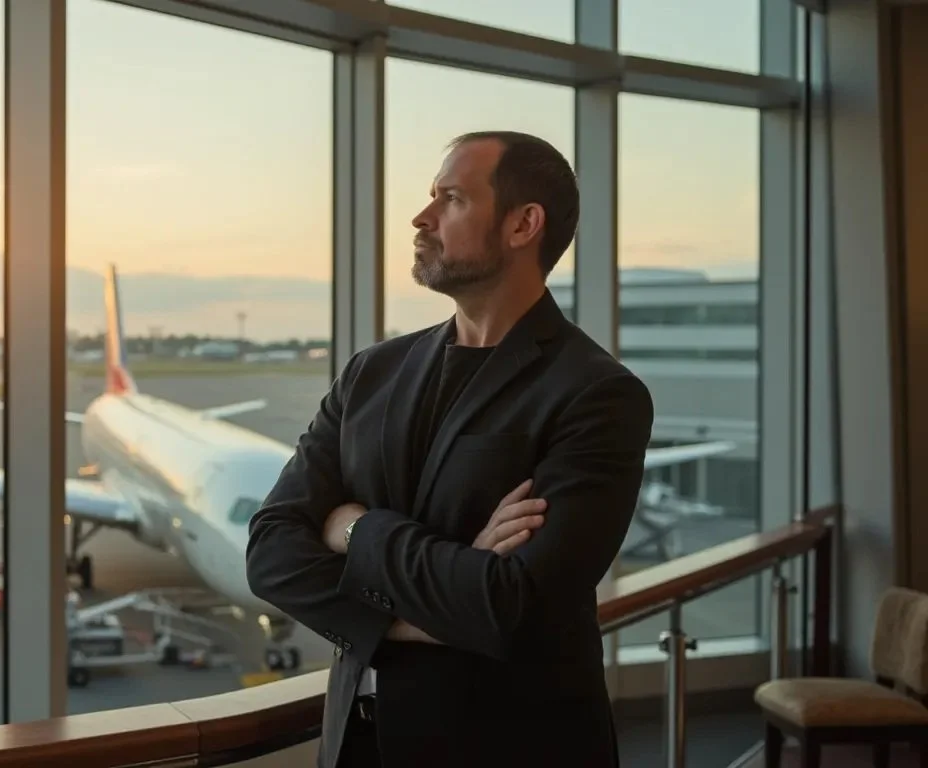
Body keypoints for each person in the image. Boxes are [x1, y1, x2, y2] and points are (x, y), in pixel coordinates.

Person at [244, 131, 654, 767]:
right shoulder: (369, 373)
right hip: (356, 746)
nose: (422, 216)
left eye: (452, 199)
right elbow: (271, 550)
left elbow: (512, 607)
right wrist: (435, 601)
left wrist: (354, 529)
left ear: (524, 224)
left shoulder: (598, 394)